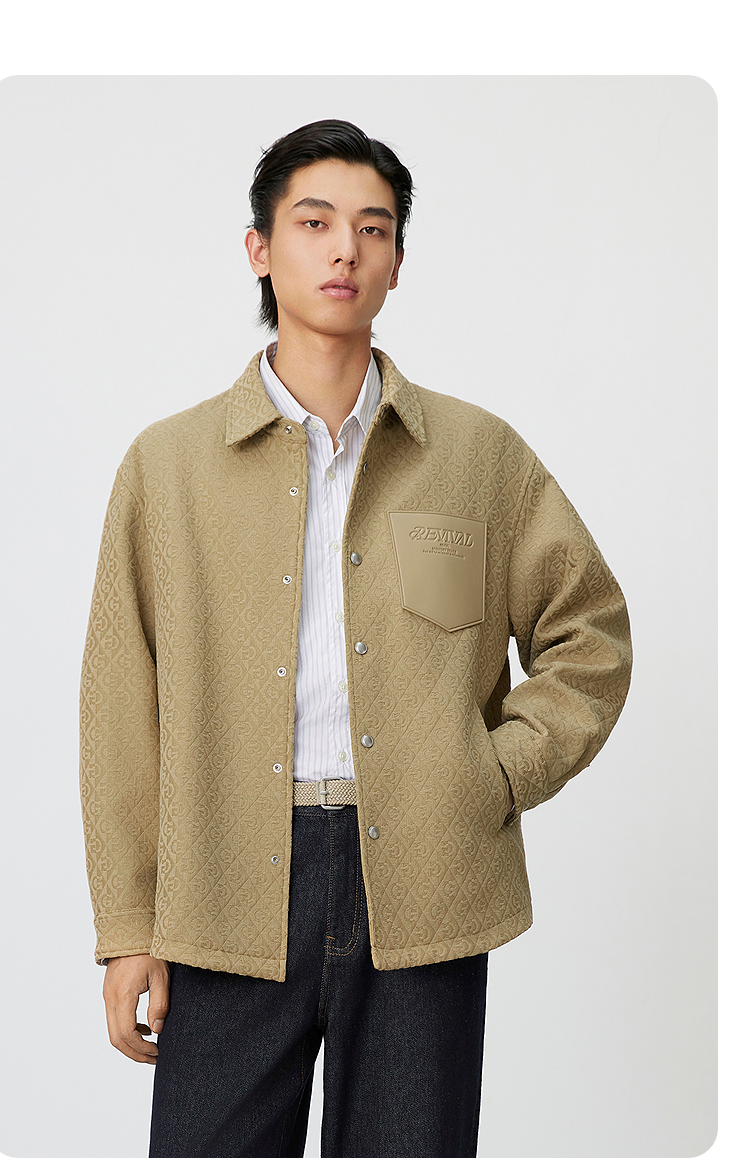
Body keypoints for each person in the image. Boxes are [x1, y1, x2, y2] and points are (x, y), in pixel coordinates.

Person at [79, 118, 633, 1157]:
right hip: (223, 887)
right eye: (315, 222)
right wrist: (127, 926)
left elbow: (589, 635)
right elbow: (120, 705)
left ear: (397, 262)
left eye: (373, 229)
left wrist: (490, 773)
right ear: (259, 248)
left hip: (425, 881)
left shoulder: (475, 456)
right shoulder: (168, 467)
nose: (345, 249)